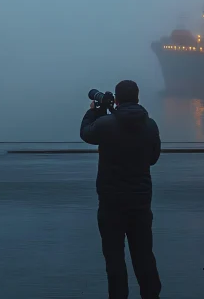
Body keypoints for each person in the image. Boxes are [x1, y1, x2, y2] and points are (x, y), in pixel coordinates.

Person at [80, 80, 162, 299]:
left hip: (111, 203)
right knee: (144, 256)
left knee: (114, 259)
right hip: (141, 203)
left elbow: (86, 134)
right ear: (137, 98)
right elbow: (153, 159)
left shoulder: (106, 124)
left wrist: (94, 113)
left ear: (116, 99)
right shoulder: (150, 125)